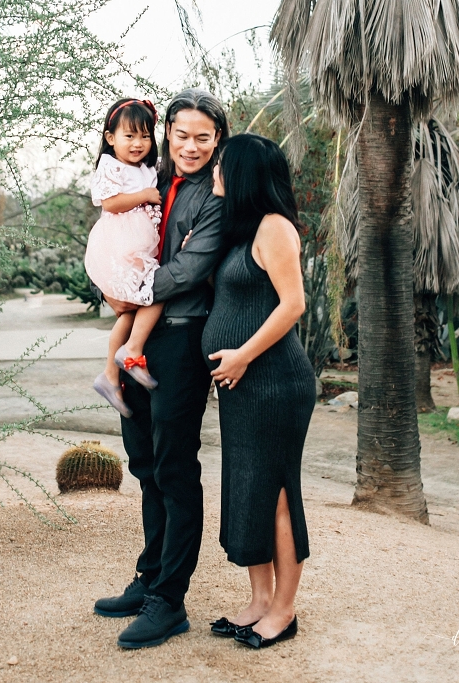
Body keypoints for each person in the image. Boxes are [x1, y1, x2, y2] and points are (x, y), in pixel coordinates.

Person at [93, 89, 230, 650]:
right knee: (145, 463)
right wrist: (111, 281)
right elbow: (114, 240)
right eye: (182, 135)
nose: (191, 146)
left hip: (179, 339)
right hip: (137, 336)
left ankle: (169, 600)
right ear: (167, 133)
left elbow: (189, 270)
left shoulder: (214, 196)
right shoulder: (145, 180)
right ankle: (149, 574)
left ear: (217, 138)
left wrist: (133, 287)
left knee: (174, 466)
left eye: (203, 136)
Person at [202, 133, 314, 649]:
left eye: (221, 163)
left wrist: (243, 354)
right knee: (248, 488)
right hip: (243, 387)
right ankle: (258, 602)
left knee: (276, 495)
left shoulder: (275, 229)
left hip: (274, 383)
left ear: (244, 172)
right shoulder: (243, 230)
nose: (214, 169)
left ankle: (284, 612)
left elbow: (293, 305)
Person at [86, 98, 166, 414]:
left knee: (129, 313)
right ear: (110, 138)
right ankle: (131, 351)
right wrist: (145, 196)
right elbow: (109, 203)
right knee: (155, 292)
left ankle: (109, 373)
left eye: (145, 136)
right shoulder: (111, 166)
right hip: (122, 246)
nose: (138, 144)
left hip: (139, 247)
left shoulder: (149, 168)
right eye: (129, 136)